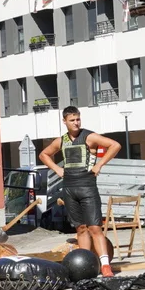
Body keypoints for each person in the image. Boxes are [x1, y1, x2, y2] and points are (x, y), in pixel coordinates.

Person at [39, 106, 122, 275]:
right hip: (69, 188)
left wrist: (100, 164)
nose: (76, 123)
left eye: (78, 119)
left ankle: (105, 265)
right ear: (64, 121)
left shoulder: (89, 136)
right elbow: (43, 155)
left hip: (87, 187)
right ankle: (86, 265)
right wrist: (57, 169)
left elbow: (115, 145)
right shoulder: (61, 140)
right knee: (81, 229)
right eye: (72, 120)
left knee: (95, 228)